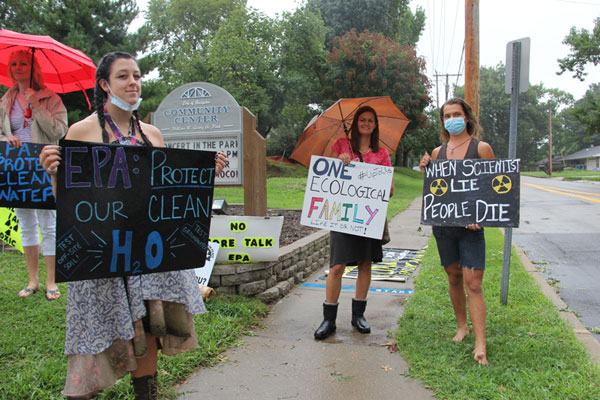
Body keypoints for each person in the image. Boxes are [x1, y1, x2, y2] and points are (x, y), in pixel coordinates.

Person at [39, 51, 227, 400]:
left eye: (137, 75)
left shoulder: (153, 135)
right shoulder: (83, 130)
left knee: (148, 328)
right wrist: (54, 173)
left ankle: (147, 393)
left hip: (145, 258)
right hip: (102, 255)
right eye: (123, 76)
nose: (133, 82)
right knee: (95, 331)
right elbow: (68, 202)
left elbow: (166, 193)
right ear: (104, 85)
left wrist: (202, 175)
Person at [419, 97, 494, 366]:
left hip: (471, 228)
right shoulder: (437, 153)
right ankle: (462, 327)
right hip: (444, 227)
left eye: (456, 114)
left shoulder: (481, 148)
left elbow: (493, 188)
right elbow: (436, 191)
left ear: (467, 117)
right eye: (447, 115)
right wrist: (426, 169)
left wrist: (481, 216)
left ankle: (480, 344)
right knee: (453, 276)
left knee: (473, 282)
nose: (452, 119)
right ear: (443, 122)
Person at [314, 105, 394, 340]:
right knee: (337, 266)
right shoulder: (341, 145)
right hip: (343, 216)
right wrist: (339, 161)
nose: (366, 123)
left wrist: (372, 177)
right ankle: (328, 319)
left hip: (370, 216)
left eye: (371, 120)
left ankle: (358, 315)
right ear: (356, 123)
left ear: (375, 124)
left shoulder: (382, 154)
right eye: (362, 119)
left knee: (365, 264)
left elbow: (389, 190)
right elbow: (325, 174)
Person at [0, 49, 67, 301]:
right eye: (14, 63)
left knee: (49, 225)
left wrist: (37, 106)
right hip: (17, 170)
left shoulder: (51, 99)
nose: (18, 67)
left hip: (45, 166)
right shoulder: (5, 102)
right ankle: (33, 280)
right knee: (26, 225)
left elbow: (59, 129)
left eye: (24, 63)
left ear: (33, 67)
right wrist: (7, 138)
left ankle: (51, 281)